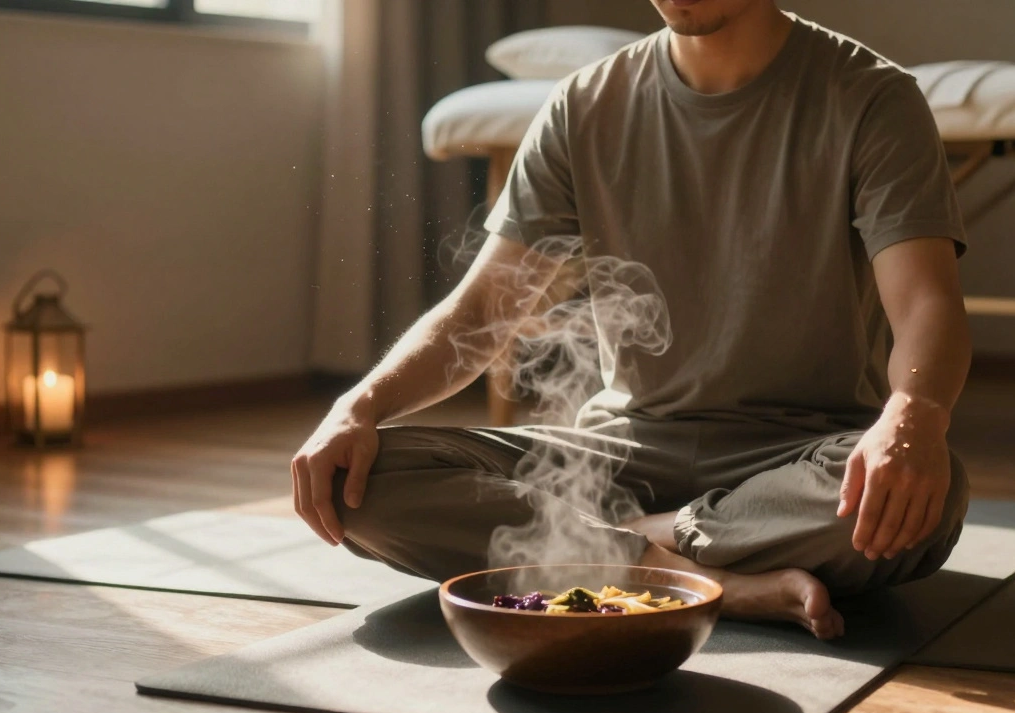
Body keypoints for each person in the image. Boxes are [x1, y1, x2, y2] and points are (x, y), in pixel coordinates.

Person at [292, 0, 972, 640]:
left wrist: (912, 415)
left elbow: (926, 304)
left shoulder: (873, 98)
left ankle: (620, 544)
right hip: (620, 454)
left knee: (927, 503)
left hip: (795, 459)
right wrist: (359, 405)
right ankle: (700, 580)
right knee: (358, 486)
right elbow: (482, 311)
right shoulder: (583, 104)